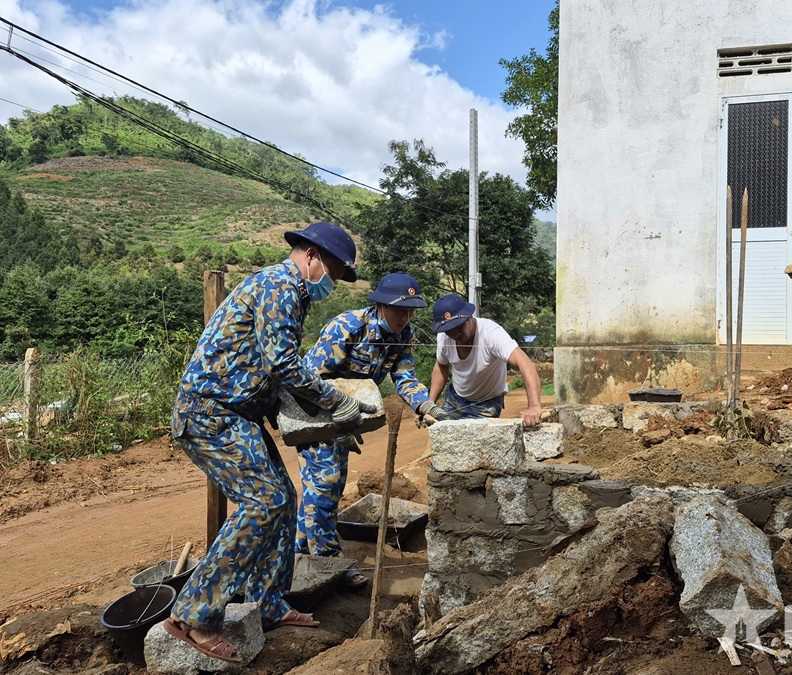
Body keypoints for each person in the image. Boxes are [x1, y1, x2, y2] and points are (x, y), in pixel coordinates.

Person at [164, 221, 376, 663]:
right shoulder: (280, 285)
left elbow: (278, 376)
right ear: (312, 255)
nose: (333, 283)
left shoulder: (291, 294)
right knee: (264, 502)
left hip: (233, 413)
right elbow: (284, 364)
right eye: (334, 271)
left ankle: (272, 602)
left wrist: (331, 422)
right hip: (210, 412)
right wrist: (335, 401)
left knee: (284, 499)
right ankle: (193, 614)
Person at [295, 272, 448, 587]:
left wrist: (426, 405)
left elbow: (404, 377)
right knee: (323, 489)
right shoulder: (348, 328)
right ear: (381, 305)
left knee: (326, 490)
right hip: (314, 414)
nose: (406, 317)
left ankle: (295, 556)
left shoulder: (402, 336)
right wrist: (337, 419)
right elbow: (308, 379)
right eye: (400, 310)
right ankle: (331, 568)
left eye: (411, 311)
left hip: (346, 419)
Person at [428, 293, 543, 427]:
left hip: (486, 404)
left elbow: (526, 364)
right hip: (455, 398)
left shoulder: (491, 334)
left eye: (458, 326)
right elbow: (441, 366)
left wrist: (534, 406)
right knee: (443, 438)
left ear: (468, 316)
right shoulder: (444, 337)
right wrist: (429, 404)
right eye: (449, 330)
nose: (455, 334)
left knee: (476, 445)